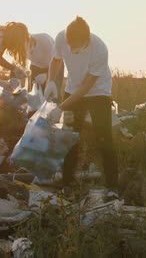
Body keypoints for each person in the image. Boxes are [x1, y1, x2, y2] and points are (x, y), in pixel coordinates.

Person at [46, 17, 118, 190]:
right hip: (72, 87)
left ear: (86, 41)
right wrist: (50, 81)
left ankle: (112, 186)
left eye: (75, 47)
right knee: (70, 135)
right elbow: (56, 60)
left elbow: (86, 87)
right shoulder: (61, 38)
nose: (71, 49)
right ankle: (68, 184)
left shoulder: (99, 49)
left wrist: (61, 107)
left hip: (98, 91)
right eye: (69, 45)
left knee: (104, 137)